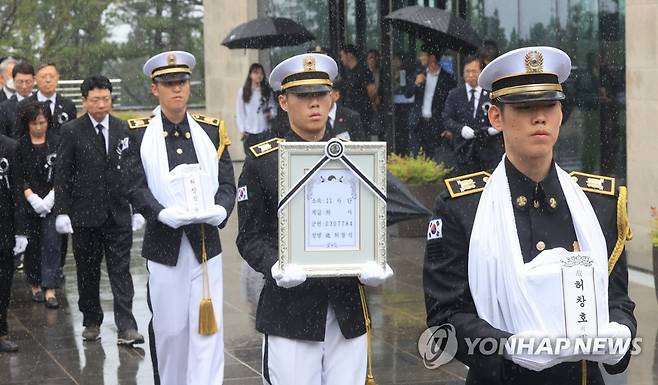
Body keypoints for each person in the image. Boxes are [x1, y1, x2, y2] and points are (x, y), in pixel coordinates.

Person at [423, 46, 636, 384]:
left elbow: (617, 299)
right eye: (524, 107)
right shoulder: (462, 208)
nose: (540, 117)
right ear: (496, 117)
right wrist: (505, 346)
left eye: (549, 105)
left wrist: (620, 333)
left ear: (561, 114)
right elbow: (445, 318)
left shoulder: (597, 204)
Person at [236, 52, 393, 385]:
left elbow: (371, 219)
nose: (314, 104)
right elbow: (249, 236)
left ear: (332, 96)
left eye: (321, 94)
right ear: (283, 101)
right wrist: (276, 265)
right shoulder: (263, 162)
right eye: (303, 96)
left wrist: (376, 258)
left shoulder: (354, 159)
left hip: (346, 307)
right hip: (291, 309)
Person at [124, 50, 235, 385]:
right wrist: (160, 213)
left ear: (190, 86)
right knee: (170, 329)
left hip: (205, 243)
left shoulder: (210, 131)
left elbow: (228, 181)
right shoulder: (140, 134)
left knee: (208, 330)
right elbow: (133, 185)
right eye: (168, 83)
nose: (177, 89)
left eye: (182, 82)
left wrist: (222, 208)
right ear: (154, 89)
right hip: (164, 244)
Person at [53, 75, 143, 345]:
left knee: (120, 270)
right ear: (84, 101)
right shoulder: (71, 131)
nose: (102, 104)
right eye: (96, 100)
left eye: (106, 99)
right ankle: (91, 320)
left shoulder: (123, 129)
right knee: (87, 271)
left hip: (117, 213)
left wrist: (137, 207)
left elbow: (132, 169)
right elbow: (63, 174)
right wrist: (62, 211)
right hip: (84, 215)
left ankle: (127, 326)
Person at [14, 101, 61, 308]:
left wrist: (51, 197)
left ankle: (50, 288)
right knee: (32, 245)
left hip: (53, 201)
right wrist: (31, 197)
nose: (39, 127)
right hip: (29, 202)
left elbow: (64, 172)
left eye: (42, 122)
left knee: (52, 243)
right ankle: (34, 284)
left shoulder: (58, 142)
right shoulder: (20, 145)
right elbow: (18, 175)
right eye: (34, 123)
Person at [442, 55, 503, 174]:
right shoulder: (455, 94)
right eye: (467, 71)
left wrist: (494, 128)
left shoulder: (491, 94)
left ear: (481, 72)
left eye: (474, 71)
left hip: (488, 150)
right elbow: (446, 118)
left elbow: (502, 115)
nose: (470, 75)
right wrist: (461, 129)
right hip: (463, 151)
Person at [406, 44, 456, 162]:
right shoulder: (419, 74)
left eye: (423, 55)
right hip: (418, 123)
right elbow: (407, 94)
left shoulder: (447, 79)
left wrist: (447, 126)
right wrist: (416, 83)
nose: (420, 58)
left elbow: (450, 104)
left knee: (434, 159)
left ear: (432, 57)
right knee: (416, 157)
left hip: (435, 125)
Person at [0, 133, 27, 352]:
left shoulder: (10, 147)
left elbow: (17, 190)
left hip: (4, 227)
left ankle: (1, 332)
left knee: (3, 283)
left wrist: (20, 231)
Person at [19, 63, 77, 136]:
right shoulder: (24, 105)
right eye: (43, 77)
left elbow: (72, 134)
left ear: (58, 78)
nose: (48, 80)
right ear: (35, 79)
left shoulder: (68, 105)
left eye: (52, 76)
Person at [236, 63, 276, 154]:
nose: (259, 75)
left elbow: (273, 107)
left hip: (264, 131)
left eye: (261, 73)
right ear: (250, 75)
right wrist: (242, 130)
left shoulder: (266, 91)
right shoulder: (243, 92)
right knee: (251, 159)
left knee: (264, 158)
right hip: (249, 132)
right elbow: (240, 113)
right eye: (256, 73)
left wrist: (271, 114)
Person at [338, 45, 376, 139]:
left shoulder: (363, 71)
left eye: (342, 56)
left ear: (349, 55)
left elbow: (372, 91)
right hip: (350, 112)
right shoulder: (348, 73)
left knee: (362, 138)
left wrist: (367, 104)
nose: (342, 59)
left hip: (362, 113)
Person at [0, 62, 36, 138]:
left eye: (28, 82)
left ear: (34, 80)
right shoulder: (4, 107)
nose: (24, 86)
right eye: (20, 82)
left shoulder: (40, 102)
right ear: (13, 80)